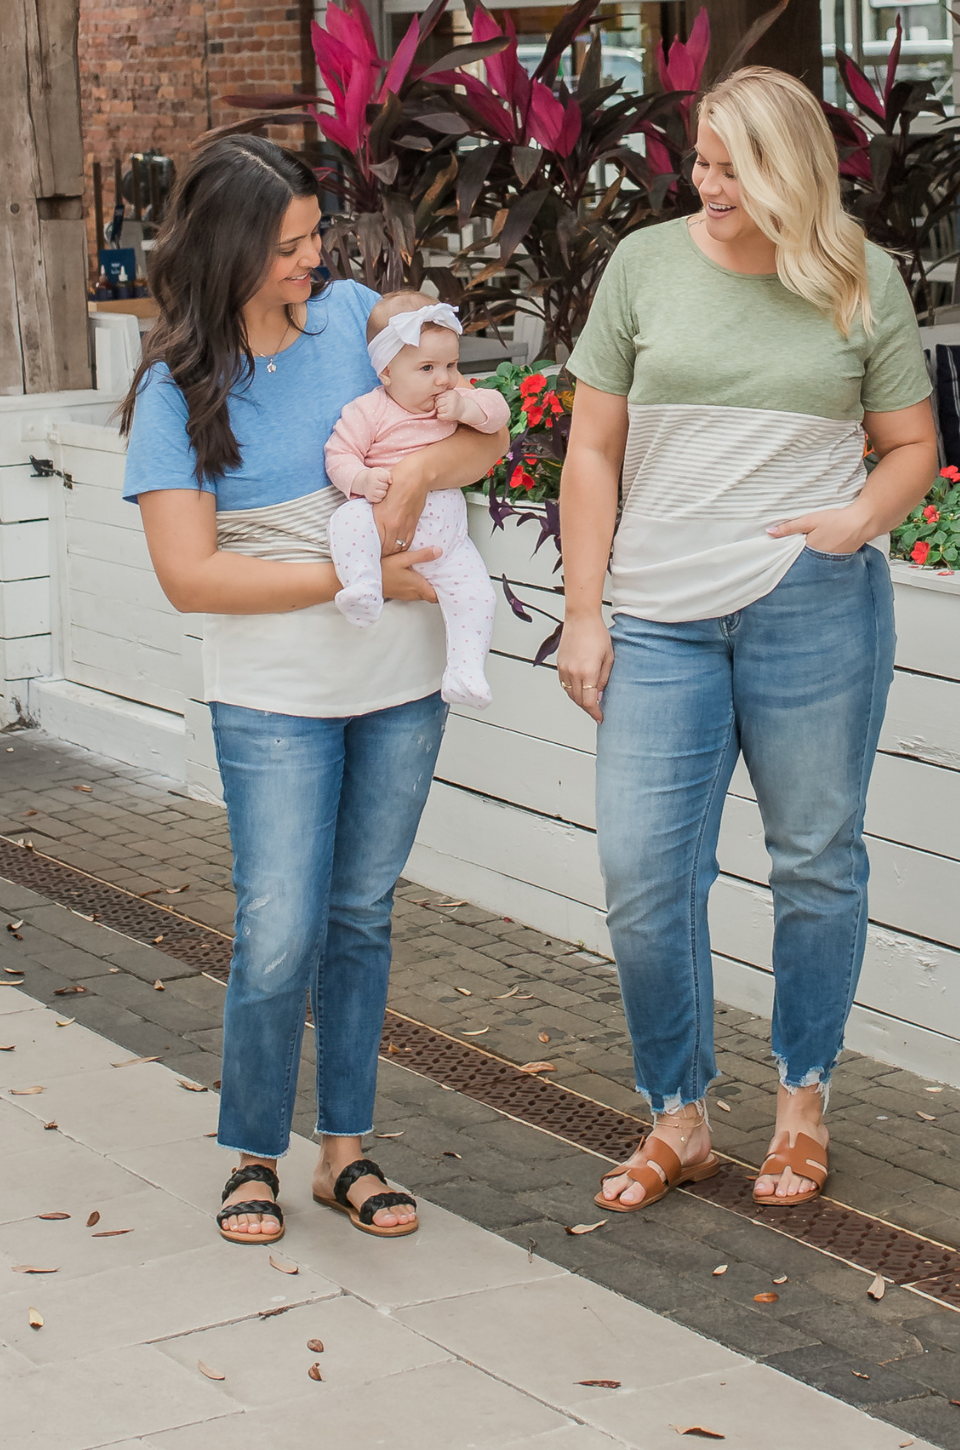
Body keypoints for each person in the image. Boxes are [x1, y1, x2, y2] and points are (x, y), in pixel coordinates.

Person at [557, 67, 936, 1213]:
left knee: (815, 861)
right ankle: (679, 1117)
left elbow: (910, 443)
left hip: (810, 602)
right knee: (639, 874)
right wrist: (584, 609)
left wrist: (860, 519)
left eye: (731, 166)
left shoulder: (861, 278)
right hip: (661, 614)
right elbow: (588, 451)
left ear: (790, 171)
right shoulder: (645, 266)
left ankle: (803, 1101)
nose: (704, 183)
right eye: (702, 160)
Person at [120, 135, 506, 1242]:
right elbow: (190, 574)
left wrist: (422, 472)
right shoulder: (178, 386)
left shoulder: (353, 323)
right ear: (230, 248)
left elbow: (483, 435)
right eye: (289, 246)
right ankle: (253, 1151)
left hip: (400, 672)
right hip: (275, 682)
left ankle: (346, 1150)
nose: (313, 260)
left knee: (359, 913)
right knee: (280, 923)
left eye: (312, 236)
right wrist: (355, 574)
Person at [325, 291, 508, 709]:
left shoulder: (452, 402)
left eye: (451, 365)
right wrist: (360, 478)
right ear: (386, 372)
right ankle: (364, 583)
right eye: (427, 368)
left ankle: (465, 670)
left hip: (448, 539)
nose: (443, 379)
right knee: (348, 520)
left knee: (477, 595)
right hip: (382, 519)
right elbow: (338, 454)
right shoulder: (368, 411)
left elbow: (497, 415)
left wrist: (467, 409)